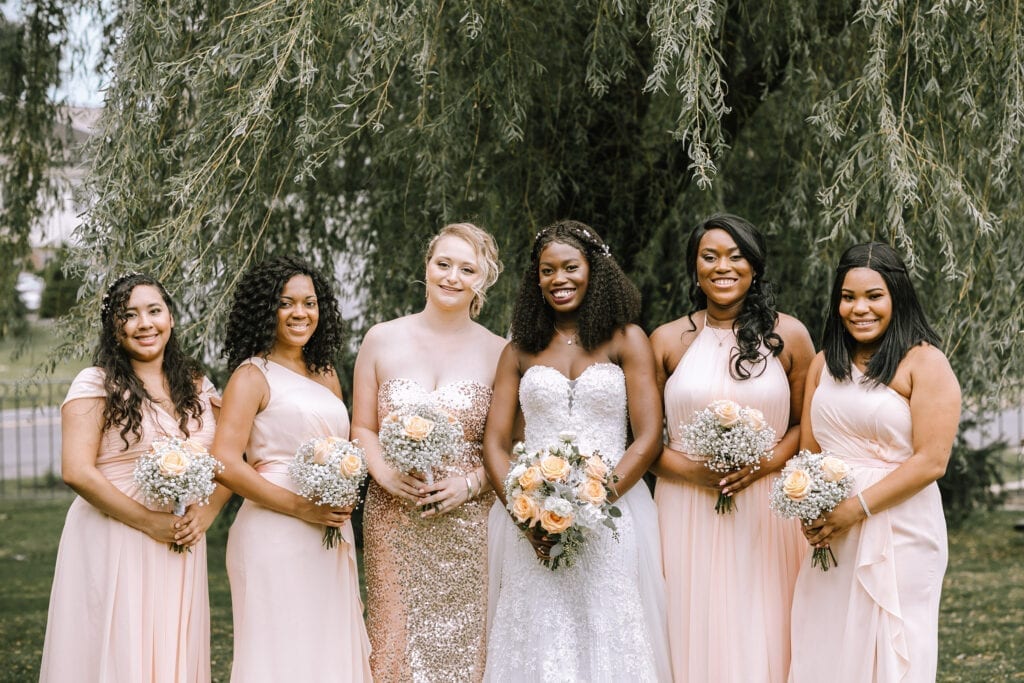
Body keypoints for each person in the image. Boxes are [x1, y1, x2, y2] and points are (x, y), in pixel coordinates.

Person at [482, 220, 671, 682]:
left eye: (570, 267)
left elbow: (647, 437)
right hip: (532, 521)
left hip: (613, 514)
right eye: (548, 271)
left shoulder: (627, 338)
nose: (559, 279)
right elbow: (495, 442)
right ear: (536, 278)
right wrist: (527, 517)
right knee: (536, 627)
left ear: (594, 270)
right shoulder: (519, 351)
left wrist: (592, 504)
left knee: (610, 623)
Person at [648, 214, 814, 682]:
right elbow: (642, 440)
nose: (724, 267)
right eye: (710, 256)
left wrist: (763, 464)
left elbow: (806, 426)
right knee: (690, 616)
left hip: (768, 506)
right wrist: (691, 471)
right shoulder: (666, 339)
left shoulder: (791, 336)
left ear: (755, 266)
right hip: (685, 505)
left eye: (736, 256)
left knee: (765, 615)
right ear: (694, 267)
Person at [40, 273, 228, 682]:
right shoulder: (96, 383)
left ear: (171, 318)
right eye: (129, 315)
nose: (144, 323)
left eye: (154, 311)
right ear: (114, 327)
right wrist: (149, 522)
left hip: (178, 540)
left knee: (168, 644)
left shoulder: (197, 385)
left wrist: (207, 513)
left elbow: (232, 454)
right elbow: (76, 470)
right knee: (121, 647)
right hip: (116, 535)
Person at [789, 242, 960, 682]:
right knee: (827, 639)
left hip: (902, 526)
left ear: (896, 298)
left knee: (893, 642)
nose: (859, 308)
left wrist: (854, 508)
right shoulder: (825, 364)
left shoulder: (925, 362)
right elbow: (809, 451)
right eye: (848, 297)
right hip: (831, 529)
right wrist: (811, 509)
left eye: (873, 296)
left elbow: (931, 463)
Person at [351, 222, 505, 682]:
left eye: (467, 269)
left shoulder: (500, 351)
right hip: (392, 518)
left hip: (468, 523)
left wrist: (471, 484)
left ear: (484, 280)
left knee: (464, 646)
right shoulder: (381, 338)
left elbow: (506, 443)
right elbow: (362, 425)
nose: (452, 277)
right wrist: (382, 473)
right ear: (427, 266)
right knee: (394, 641)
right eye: (444, 264)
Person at [212, 256, 371, 682]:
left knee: (325, 649)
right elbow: (225, 462)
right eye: (286, 303)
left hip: (329, 530)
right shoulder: (252, 375)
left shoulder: (326, 374)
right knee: (281, 650)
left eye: (310, 302)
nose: (301, 313)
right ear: (267, 310)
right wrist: (300, 507)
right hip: (274, 531)